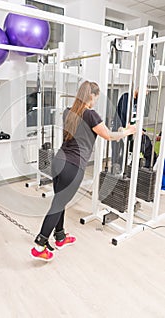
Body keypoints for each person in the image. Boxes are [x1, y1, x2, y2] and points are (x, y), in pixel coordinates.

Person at [31, 80, 136, 262]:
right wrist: (128, 131)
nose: (96, 101)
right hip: (73, 166)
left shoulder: (68, 112)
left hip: (59, 161)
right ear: (91, 96)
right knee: (58, 205)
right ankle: (40, 244)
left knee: (59, 201)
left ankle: (60, 236)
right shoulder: (91, 115)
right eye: (96, 97)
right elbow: (109, 136)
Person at [111, 89, 156, 172]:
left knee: (128, 152)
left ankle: (133, 170)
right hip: (119, 130)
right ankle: (115, 172)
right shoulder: (126, 98)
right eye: (145, 91)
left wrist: (139, 129)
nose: (146, 94)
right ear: (138, 89)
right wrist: (128, 129)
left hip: (130, 132)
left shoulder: (138, 102)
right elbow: (122, 117)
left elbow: (135, 119)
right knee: (117, 155)